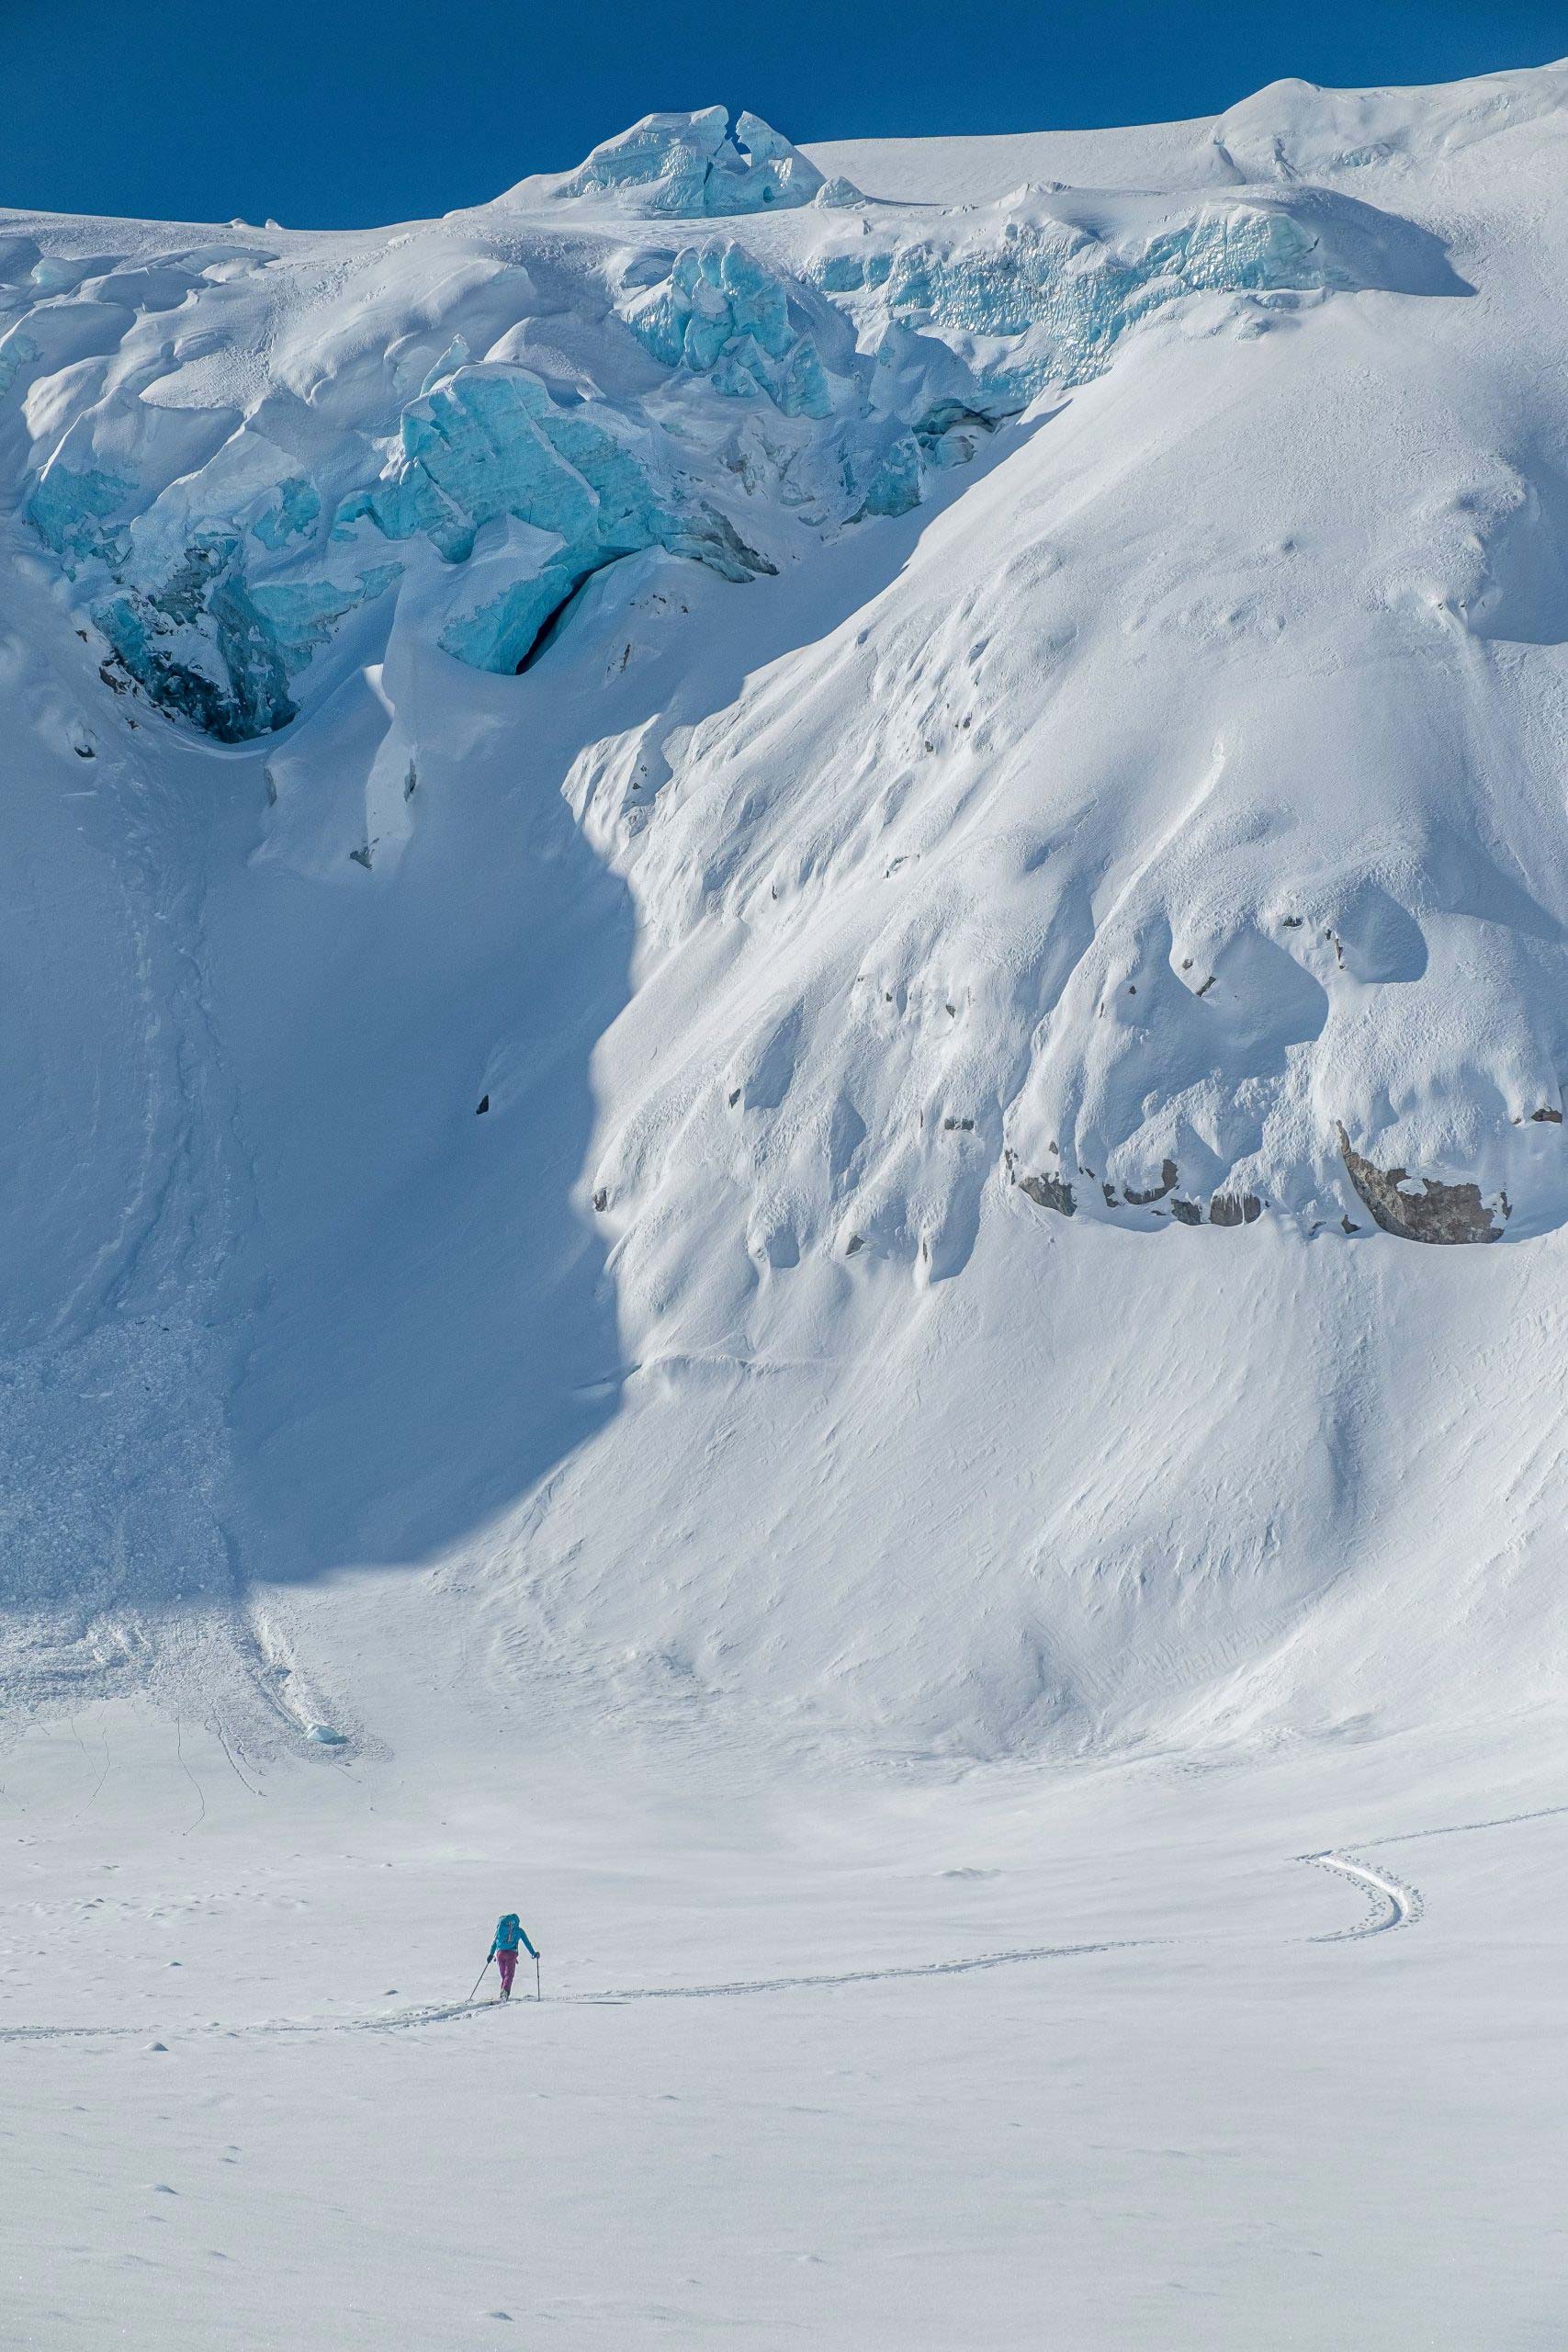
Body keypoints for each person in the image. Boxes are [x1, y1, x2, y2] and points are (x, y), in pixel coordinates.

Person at [489, 1910, 538, 2000]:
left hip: (500, 1954)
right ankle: (505, 1992)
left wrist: (491, 1954)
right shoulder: (519, 1931)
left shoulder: (500, 1929)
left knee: (504, 1976)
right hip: (511, 1954)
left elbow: (495, 1942)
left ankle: (503, 1993)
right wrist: (533, 1953)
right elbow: (527, 1943)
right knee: (509, 1975)